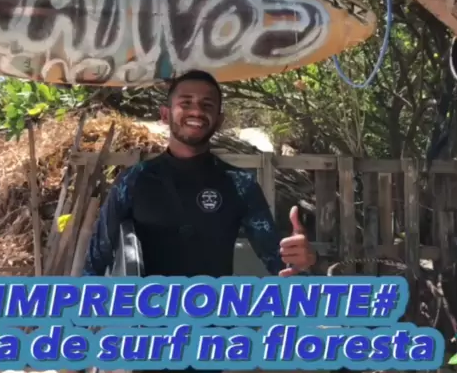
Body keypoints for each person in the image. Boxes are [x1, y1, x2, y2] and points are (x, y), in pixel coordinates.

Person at [82, 69, 317, 279]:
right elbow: (95, 263)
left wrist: (301, 261)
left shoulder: (240, 184)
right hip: (147, 313)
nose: (196, 111)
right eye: (186, 103)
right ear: (165, 115)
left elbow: (280, 264)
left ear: (219, 120)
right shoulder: (133, 181)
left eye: (207, 105)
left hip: (214, 313)